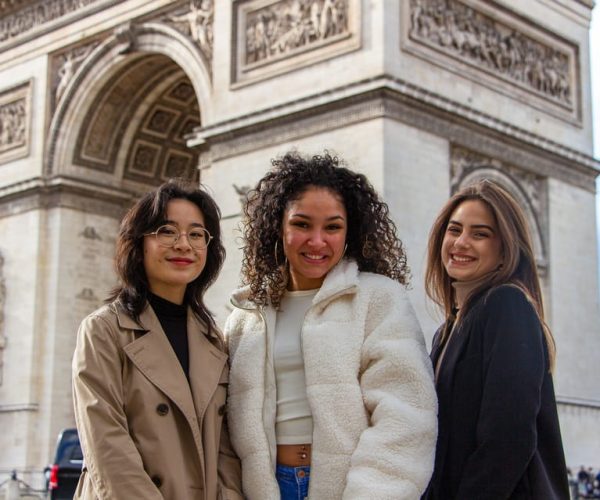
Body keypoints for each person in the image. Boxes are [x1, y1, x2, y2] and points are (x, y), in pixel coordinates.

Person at [224, 151, 437, 499]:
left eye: (333, 227)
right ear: (278, 225)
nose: (317, 241)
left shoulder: (379, 299)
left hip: (349, 488)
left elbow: (406, 415)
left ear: (350, 232)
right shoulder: (245, 316)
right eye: (302, 224)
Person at [72, 180, 242, 500]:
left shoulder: (215, 341)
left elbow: (227, 451)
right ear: (138, 243)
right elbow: (106, 444)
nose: (183, 244)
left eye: (196, 234)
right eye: (166, 231)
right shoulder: (103, 331)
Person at [423, 179, 569, 499]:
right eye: (454, 229)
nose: (461, 242)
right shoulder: (446, 331)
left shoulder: (506, 306)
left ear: (505, 250)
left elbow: (507, 439)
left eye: (480, 234)